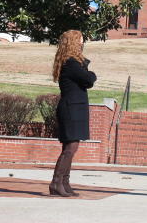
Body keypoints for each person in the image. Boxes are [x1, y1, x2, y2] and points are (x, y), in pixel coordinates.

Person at [50, 29, 96, 197]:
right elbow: (89, 79)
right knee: (71, 147)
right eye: (81, 40)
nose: (83, 43)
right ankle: (56, 182)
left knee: (70, 147)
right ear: (74, 43)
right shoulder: (71, 62)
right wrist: (91, 73)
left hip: (74, 108)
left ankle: (65, 183)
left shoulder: (71, 62)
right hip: (71, 108)